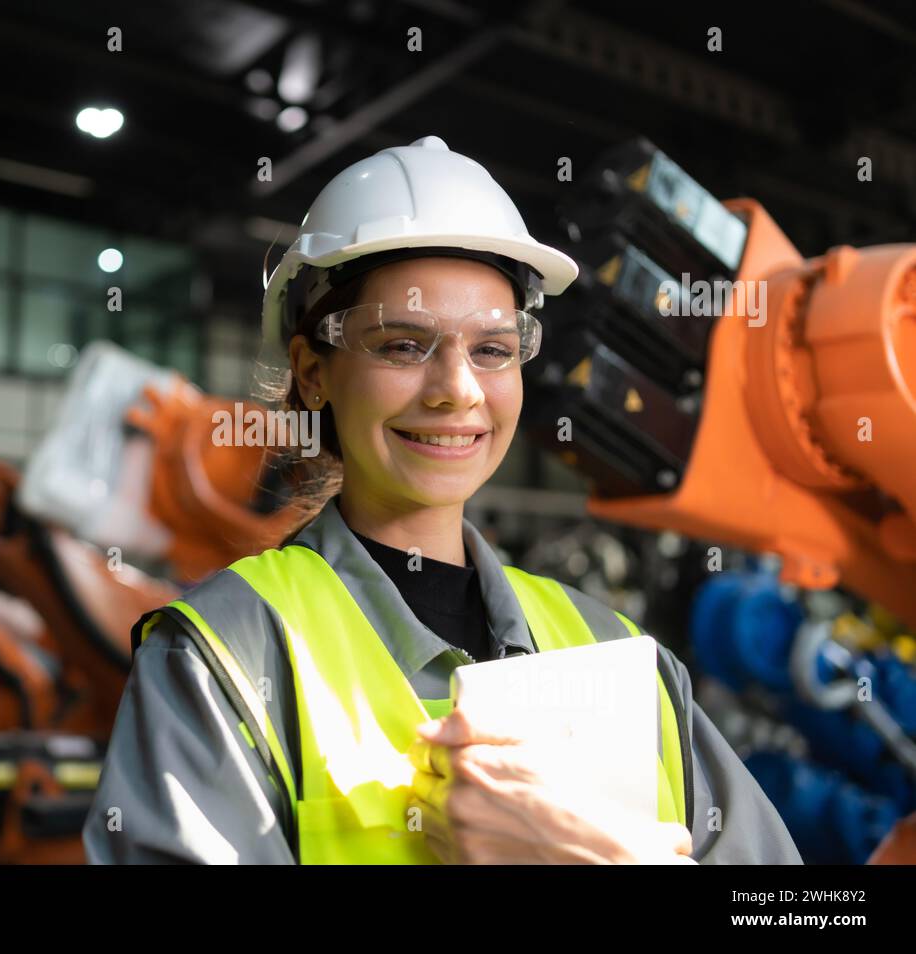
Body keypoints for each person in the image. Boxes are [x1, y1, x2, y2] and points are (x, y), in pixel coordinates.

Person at [84, 135, 801, 864]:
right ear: (312, 373)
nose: (457, 388)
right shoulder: (223, 656)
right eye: (402, 344)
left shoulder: (622, 656)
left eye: (492, 349)